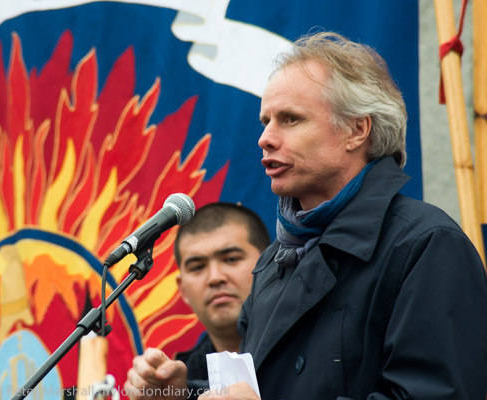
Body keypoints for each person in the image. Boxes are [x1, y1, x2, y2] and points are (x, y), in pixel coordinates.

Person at [123, 31, 487, 400]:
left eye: (290, 119)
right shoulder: (272, 264)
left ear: (356, 130)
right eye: (266, 121)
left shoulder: (427, 245)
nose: (265, 138)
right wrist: (183, 395)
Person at [173, 202, 271, 381]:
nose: (215, 278)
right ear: (183, 289)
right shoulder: (181, 384)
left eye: (231, 259)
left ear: (269, 264)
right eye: (197, 267)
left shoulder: (314, 343)